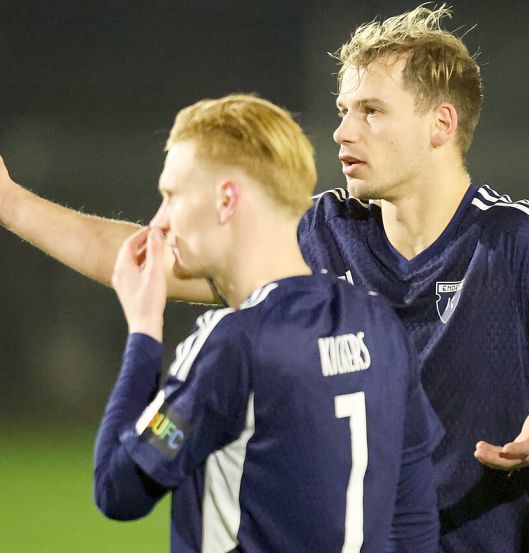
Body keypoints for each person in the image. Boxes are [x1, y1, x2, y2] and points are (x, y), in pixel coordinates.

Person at [0, 6, 529, 552]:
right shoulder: (321, 228)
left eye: (369, 110)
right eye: (340, 110)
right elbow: (145, 254)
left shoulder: (519, 240)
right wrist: (6, 201)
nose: (342, 131)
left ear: (439, 124)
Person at [92, 94, 442, 552]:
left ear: (225, 199)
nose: (159, 222)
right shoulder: (378, 323)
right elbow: (414, 520)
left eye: (171, 196)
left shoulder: (235, 345)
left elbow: (118, 490)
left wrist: (143, 330)